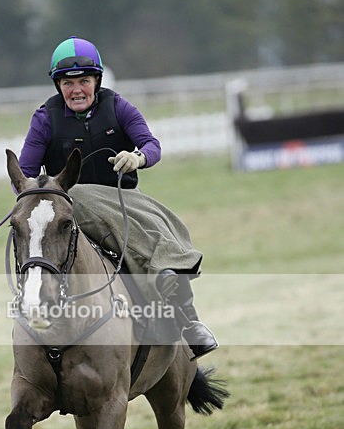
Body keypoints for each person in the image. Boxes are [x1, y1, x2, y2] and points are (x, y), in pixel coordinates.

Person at [18, 36, 218, 359]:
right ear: (59, 86)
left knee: (161, 228)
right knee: (64, 208)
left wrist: (138, 158)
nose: (77, 90)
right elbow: (25, 177)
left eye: (84, 81)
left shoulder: (118, 106)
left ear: (96, 81)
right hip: (68, 209)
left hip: (124, 201)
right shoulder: (44, 119)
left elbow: (152, 145)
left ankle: (188, 320)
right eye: (69, 83)